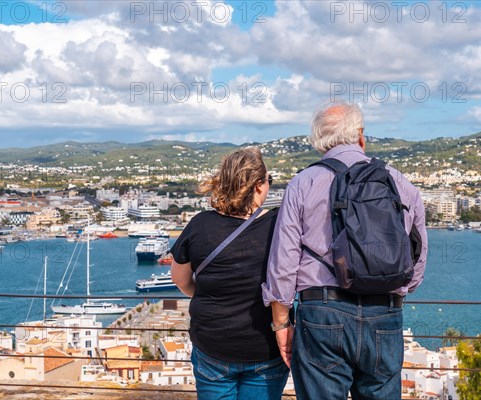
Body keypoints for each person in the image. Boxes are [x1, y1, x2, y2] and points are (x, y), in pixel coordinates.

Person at [262, 102, 428, 400]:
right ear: (361, 135)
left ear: (318, 141)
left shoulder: (302, 183)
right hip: (385, 311)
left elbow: (283, 261)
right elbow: (417, 253)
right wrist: (395, 291)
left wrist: (281, 323)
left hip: (323, 313)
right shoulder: (400, 183)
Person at [171, 147, 289, 400]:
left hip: (213, 344)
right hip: (265, 347)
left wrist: (207, 294)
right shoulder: (279, 225)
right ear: (258, 186)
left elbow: (180, 279)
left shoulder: (200, 224)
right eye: (269, 180)